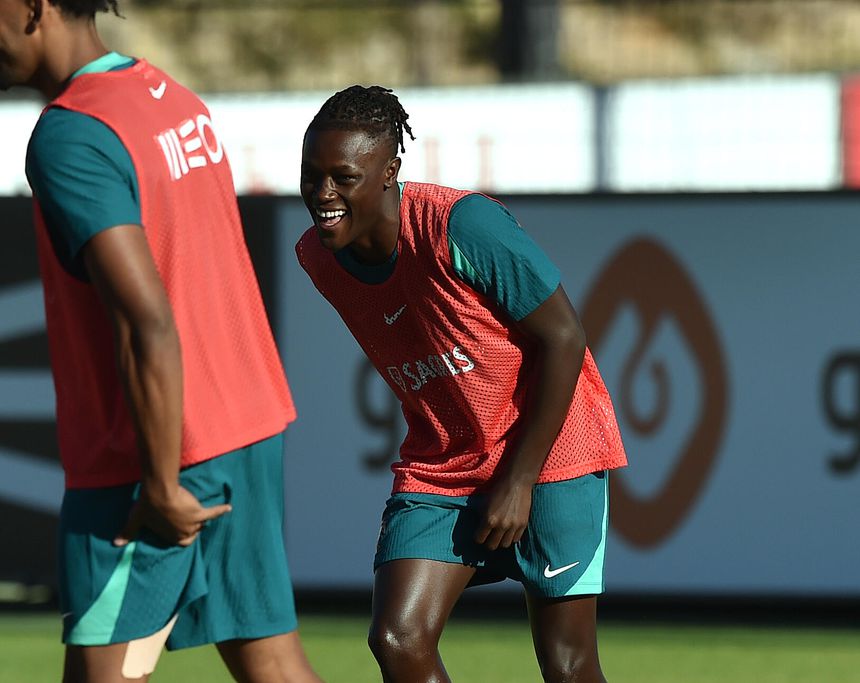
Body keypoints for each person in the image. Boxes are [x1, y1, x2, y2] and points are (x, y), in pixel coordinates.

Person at [0, 1, 322, 681]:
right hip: (245, 429)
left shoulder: (71, 133)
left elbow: (146, 318)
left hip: (156, 458)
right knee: (275, 668)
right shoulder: (172, 97)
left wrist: (160, 483)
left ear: (33, 7)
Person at [295, 84, 628, 683]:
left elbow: (564, 337)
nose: (323, 195)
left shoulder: (462, 224)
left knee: (568, 665)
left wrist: (520, 480)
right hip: (443, 462)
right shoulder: (317, 256)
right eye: (311, 176)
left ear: (390, 171)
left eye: (343, 178)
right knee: (398, 638)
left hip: (551, 454)